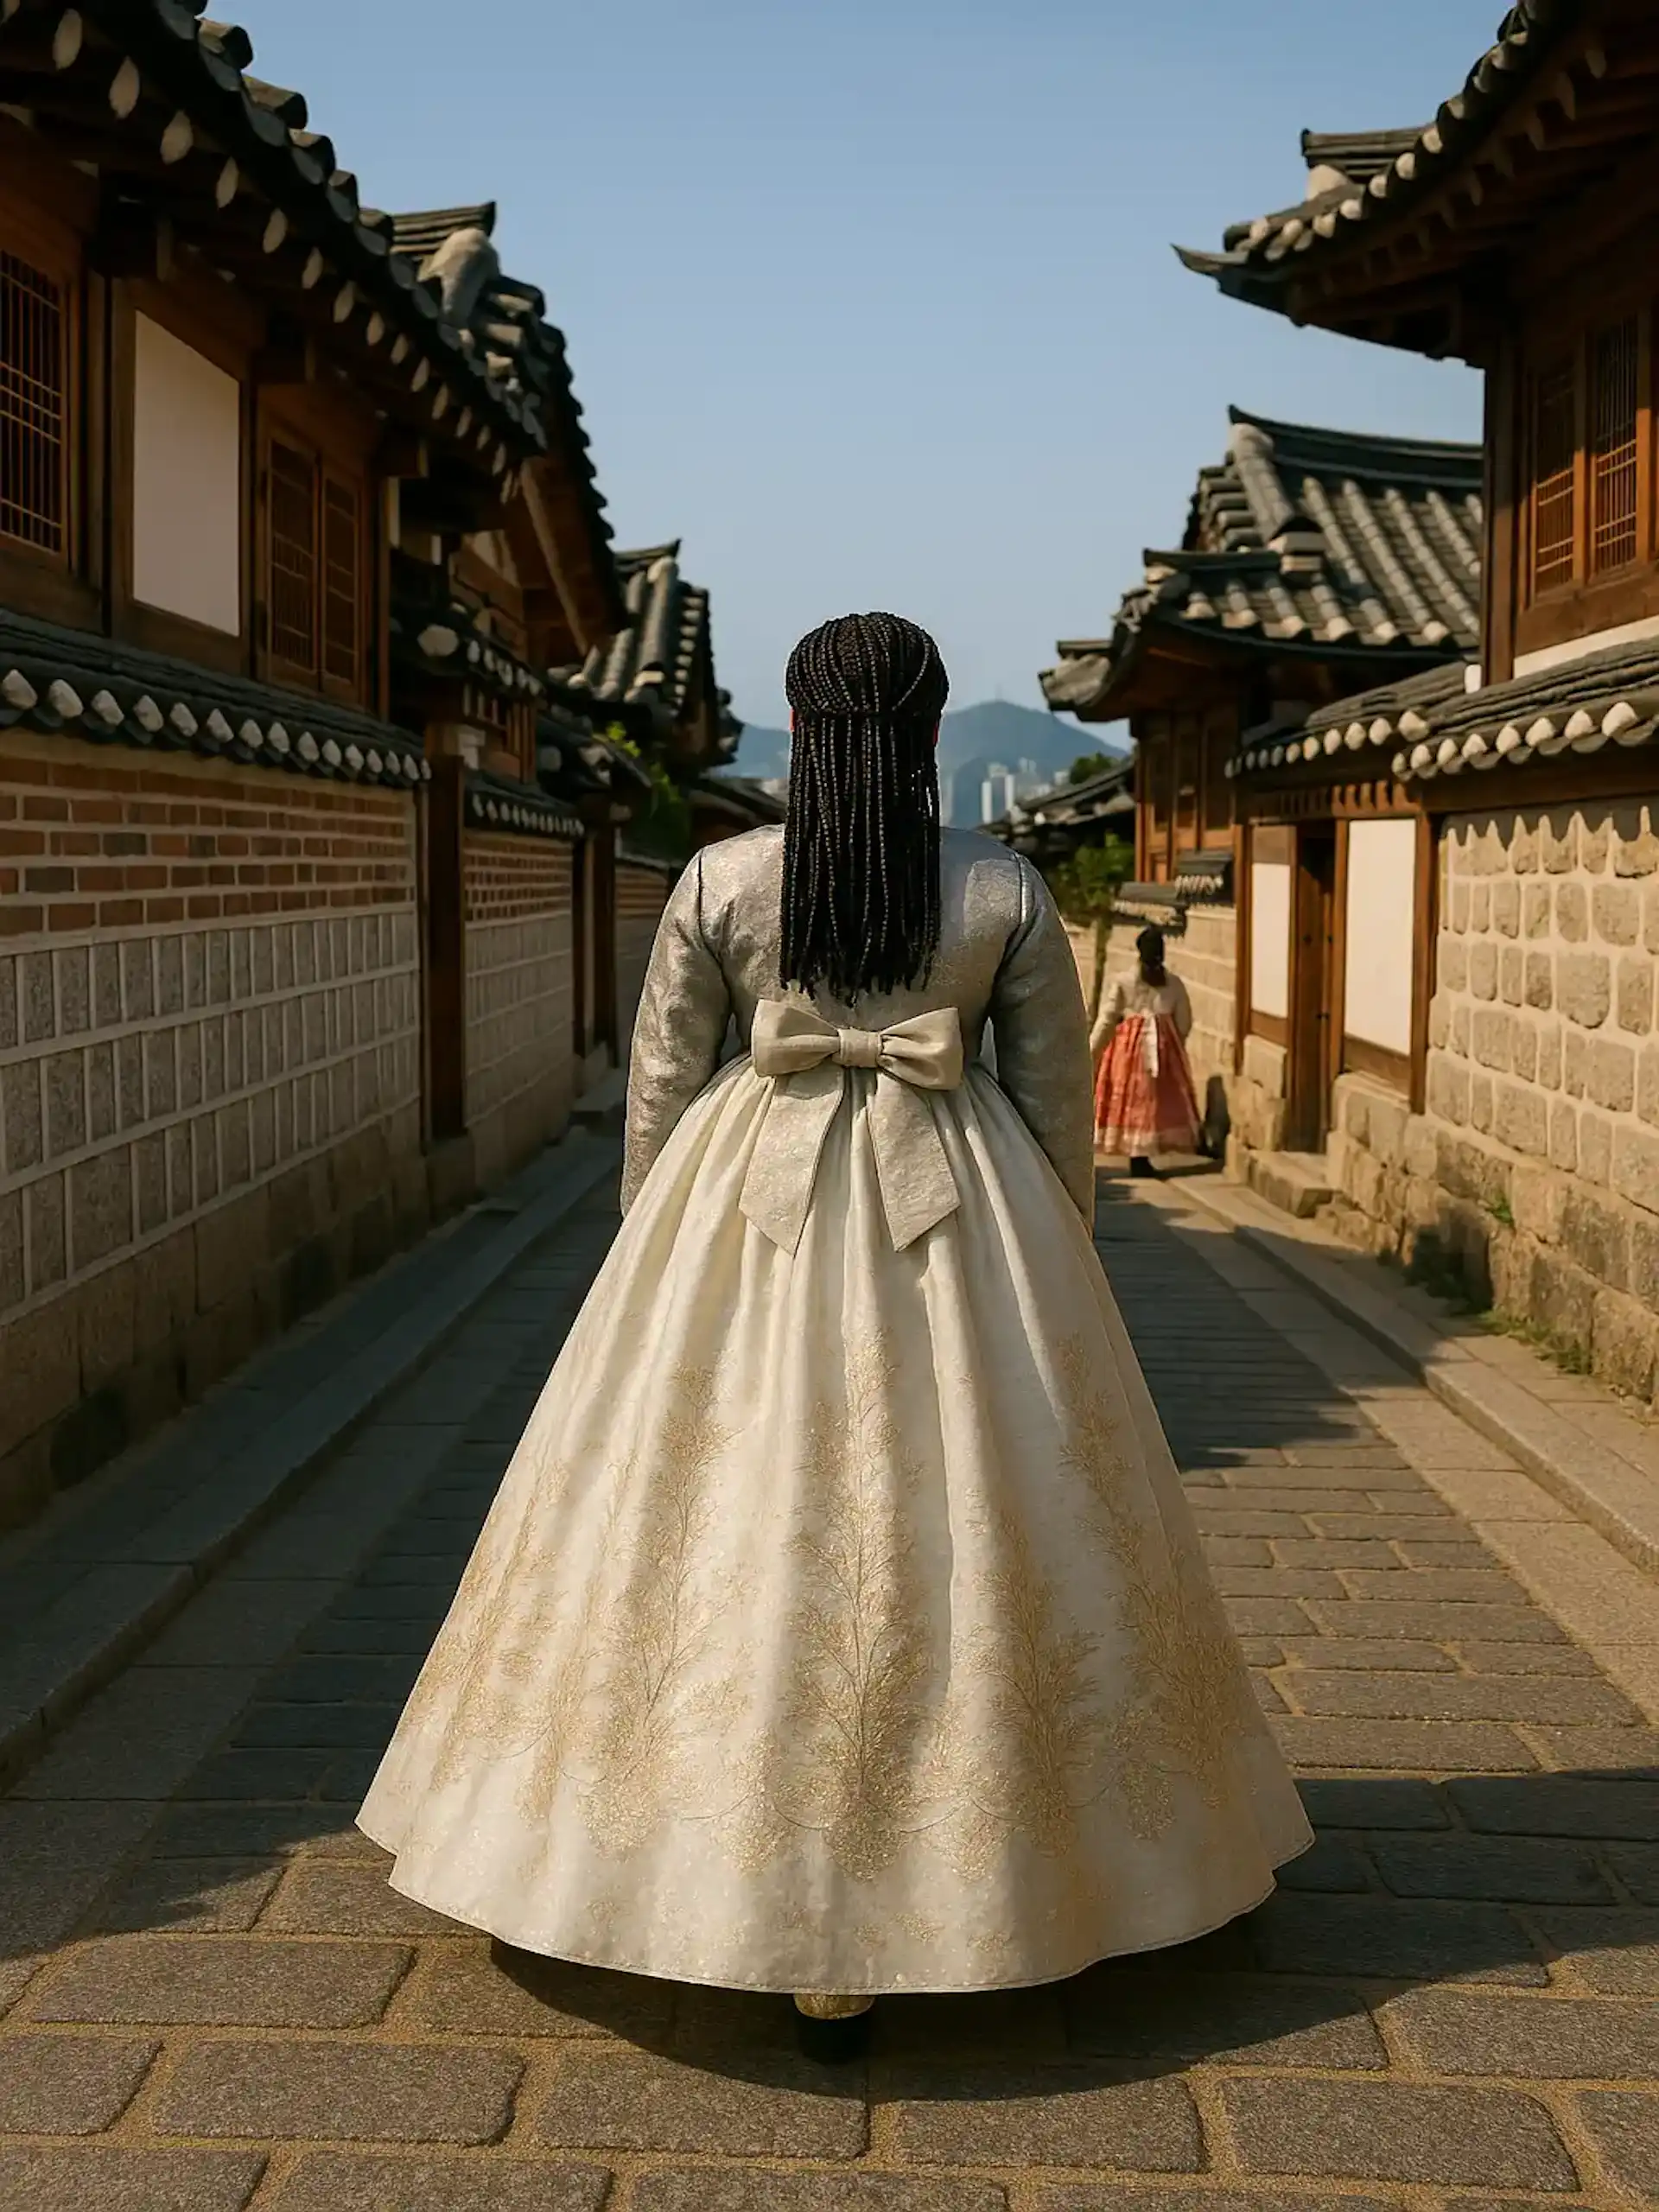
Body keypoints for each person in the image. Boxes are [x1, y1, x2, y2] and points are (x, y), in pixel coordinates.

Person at [358, 613, 1311, 2062]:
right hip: (961, 1206)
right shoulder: (1002, 885)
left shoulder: (722, 878)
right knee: (974, 1535)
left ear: (801, 731)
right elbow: (1056, 1120)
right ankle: (1009, 1874)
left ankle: (632, 1870)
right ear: (930, 735)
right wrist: (1051, 1277)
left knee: (712, 1527)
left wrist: (649, 1266)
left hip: (750, 1199)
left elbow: (664, 1097)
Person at [1091, 925, 1202, 1178]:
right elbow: (1185, 1021)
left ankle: (1137, 1153)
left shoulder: (1123, 982)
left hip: (1128, 1049)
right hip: (1163, 1050)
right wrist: (1173, 1043)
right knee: (1156, 1102)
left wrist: (1093, 1049)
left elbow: (1107, 1018)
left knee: (1132, 1100)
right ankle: (1147, 1151)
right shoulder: (1173, 984)